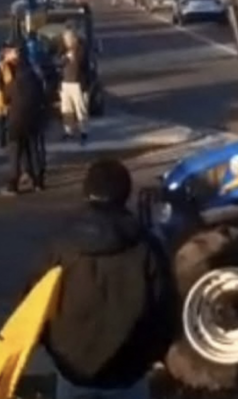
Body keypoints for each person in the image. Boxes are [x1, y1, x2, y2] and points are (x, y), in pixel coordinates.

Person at [27, 159, 176, 399]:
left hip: (72, 368)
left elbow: (32, 307)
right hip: (129, 373)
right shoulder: (147, 246)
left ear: (87, 192)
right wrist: (149, 356)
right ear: (125, 193)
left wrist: (56, 351)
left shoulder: (61, 244)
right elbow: (165, 312)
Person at [2, 48, 47, 196]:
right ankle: (38, 181)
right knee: (33, 149)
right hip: (33, 120)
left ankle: (13, 184)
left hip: (16, 121)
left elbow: (5, 98)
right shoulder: (36, 80)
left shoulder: (14, 83)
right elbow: (43, 96)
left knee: (15, 151)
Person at [59, 28, 89, 144]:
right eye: (65, 39)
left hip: (77, 83)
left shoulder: (81, 50)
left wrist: (74, 57)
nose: (66, 41)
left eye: (68, 39)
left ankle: (83, 131)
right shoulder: (63, 50)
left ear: (74, 39)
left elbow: (83, 64)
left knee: (80, 109)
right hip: (66, 83)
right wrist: (65, 58)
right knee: (67, 109)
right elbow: (60, 63)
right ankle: (68, 131)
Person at [0, 43, 17, 149]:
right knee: (5, 119)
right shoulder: (2, 67)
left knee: (8, 119)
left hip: (12, 96)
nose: (14, 54)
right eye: (12, 52)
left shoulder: (14, 64)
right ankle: (4, 140)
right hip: (5, 98)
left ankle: (8, 139)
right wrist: (6, 92)